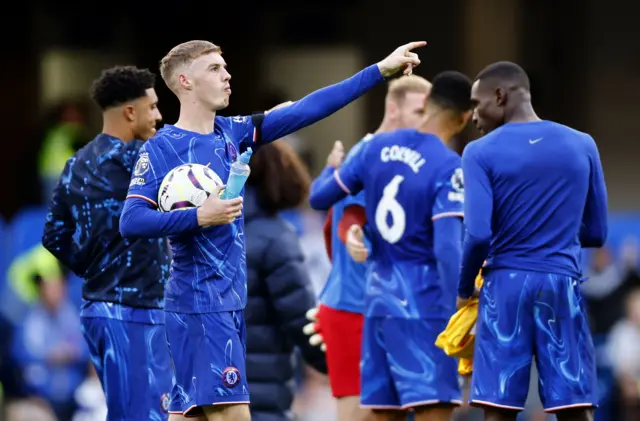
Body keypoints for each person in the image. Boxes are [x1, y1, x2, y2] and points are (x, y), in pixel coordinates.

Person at [118, 39, 425, 421]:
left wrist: (379, 70)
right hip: (201, 304)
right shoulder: (161, 149)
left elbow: (308, 109)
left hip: (227, 304)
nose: (227, 74)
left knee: (190, 414)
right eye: (214, 69)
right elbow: (130, 221)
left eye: (225, 66)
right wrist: (199, 216)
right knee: (234, 415)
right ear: (184, 81)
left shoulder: (234, 133)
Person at [307, 70, 474, 421]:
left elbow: (321, 197)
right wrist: (459, 303)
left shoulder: (374, 150)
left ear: (427, 104)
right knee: (434, 409)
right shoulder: (448, 165)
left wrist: (329, 169)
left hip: (377, 303)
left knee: (384, 413)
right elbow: (446, 247)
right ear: (464, 118)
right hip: (423, 304)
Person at [457, 61, 608, 421]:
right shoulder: (583, 143)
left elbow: (477, 235)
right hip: (561, 284)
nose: (474, 116)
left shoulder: (479, 152)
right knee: (574, 407)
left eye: (477, 105)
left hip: (504, 288)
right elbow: (597, 233)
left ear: (500, 95)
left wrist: (464, 288)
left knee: (499, 408)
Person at [42, 65, 172, 421]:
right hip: (134, 313)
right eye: (153, 106)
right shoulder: (142, 160)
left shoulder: (74, 164)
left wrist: (94, 267)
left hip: (101, 310)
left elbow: (53, 236)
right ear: (131, 112)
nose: (159, 116)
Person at [241, 141, 327, 421]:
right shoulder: (276, 237)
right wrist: (344, 363)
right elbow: (303, 322)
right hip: (261, 400)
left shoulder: (205, 232)